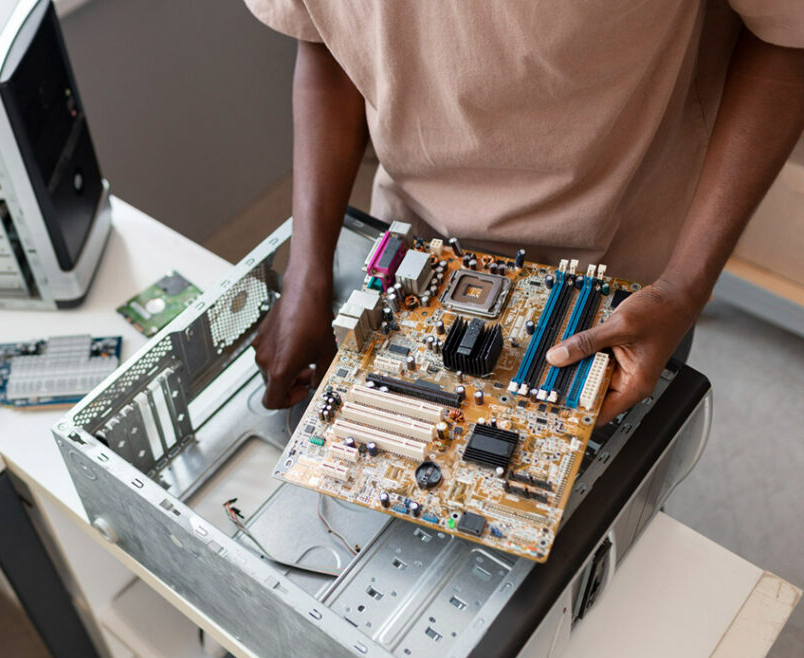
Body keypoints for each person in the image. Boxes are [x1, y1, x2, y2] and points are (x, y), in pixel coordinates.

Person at [246, 1, 804, 423]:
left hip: (621, 285)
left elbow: (786, 36)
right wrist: (307, 275)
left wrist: (685, 286)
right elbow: (325, 37)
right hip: (411, 246)